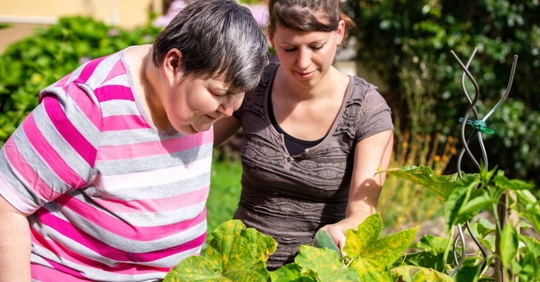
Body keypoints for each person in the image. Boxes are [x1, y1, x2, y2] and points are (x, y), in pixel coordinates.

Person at [0, 0, 268, 280]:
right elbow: (6, 204)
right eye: (218, 92)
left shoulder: (190, 104)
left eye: (238, 94)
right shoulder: (89, 107)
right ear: (174, 63)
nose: (228, 110)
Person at [214, 0, 394, 270]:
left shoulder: (367, 110)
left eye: (316, 46)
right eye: (289, 48)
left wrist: (344, 229)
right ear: (272, 38)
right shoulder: (253, 87)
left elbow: (362, 213)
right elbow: (194, 142)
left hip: (315, 273)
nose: (303, 62)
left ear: (340, 33)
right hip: (242, 268)